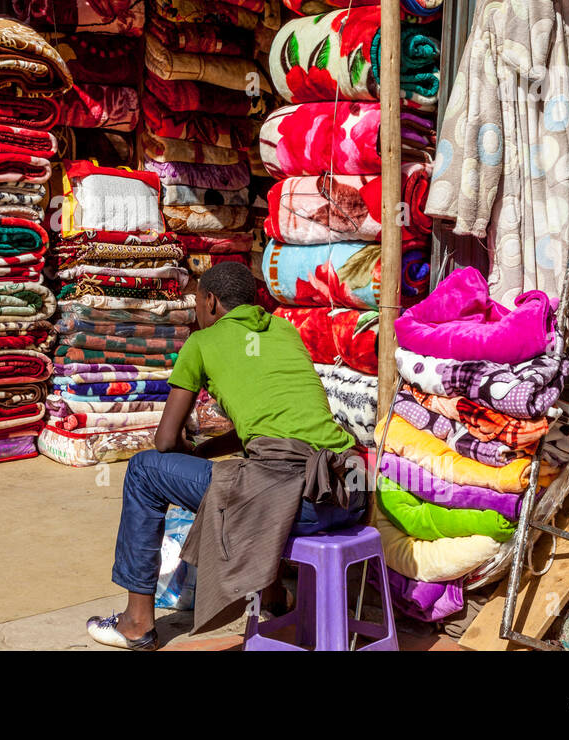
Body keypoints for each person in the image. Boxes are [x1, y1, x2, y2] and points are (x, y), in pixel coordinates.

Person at [86, 261, 369, 650]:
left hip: (296, 503)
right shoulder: (284, 330)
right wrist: (205, 452)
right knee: (261, 469)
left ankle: (136, 623)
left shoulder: (201, 343)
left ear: (211, 302)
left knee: (143, 471)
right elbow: (276, 427)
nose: (197, 313)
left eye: (198, 303)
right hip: (346, 493)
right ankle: (271, 597)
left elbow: (165, 442)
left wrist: (189, 455)